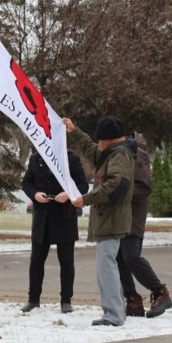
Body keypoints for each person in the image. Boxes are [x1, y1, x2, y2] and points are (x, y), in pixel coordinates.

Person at [63, 115, 134, 327]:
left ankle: (113, 315)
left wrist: (86, 199)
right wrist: (74, 131)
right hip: (109, 220)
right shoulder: (110, 153)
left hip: (111, 220)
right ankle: (116, 311)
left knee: (107, 268)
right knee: (108, 267)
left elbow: (115, 185)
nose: (98, 143)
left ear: (110, 139)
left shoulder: (119, 156)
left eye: (100, 139)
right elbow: (90, 149)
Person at [20, 149, 89, 314]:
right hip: (42, 216)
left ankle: (66, 300)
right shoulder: (36, 159)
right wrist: (35, 194)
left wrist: (67, 194)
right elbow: (26, 183)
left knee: (66, 261)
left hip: (64, 215)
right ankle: (33, 299)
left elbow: (83, 185)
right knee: (36, 260)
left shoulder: (70, 158)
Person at [117, 132, 172, 318]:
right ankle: (133, 299)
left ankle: (160, 292)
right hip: (120, 215)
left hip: (133, 215)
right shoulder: (121, 151)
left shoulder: (136, 153)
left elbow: (144, 187)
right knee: (119, 258)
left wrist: (119, 195)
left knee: (131, 257)